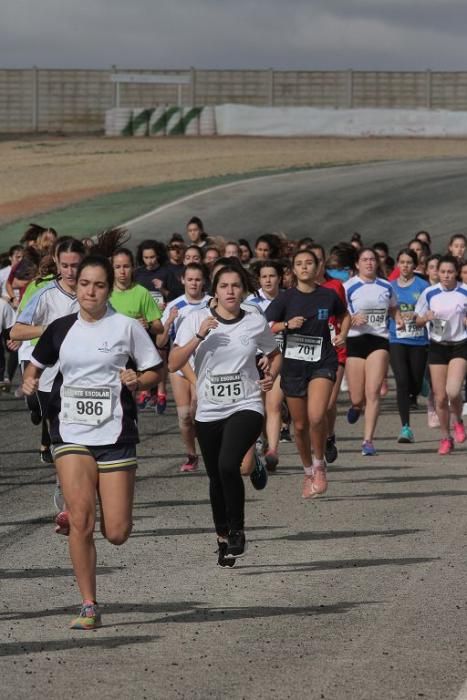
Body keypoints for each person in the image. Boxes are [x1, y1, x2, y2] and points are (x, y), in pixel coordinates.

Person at [22, 255, 162, 629]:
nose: (90, 291)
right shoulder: (61, 327)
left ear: (108, 289)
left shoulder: (127, 328)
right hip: (70, 431)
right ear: (77, 285)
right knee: (82, 520)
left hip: (115, 433)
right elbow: (37, 360)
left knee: (116, 532)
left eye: (99, 285)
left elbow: (153, 370)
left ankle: (93, 503)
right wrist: (30, 379)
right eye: (85, 284)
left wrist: (138, 381)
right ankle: (88, 604)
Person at [169, 264, 281, 565]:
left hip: (246, 404)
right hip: (208, 410)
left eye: (235, 286)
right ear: (214, 291)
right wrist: (198, 335)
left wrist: (271, 375)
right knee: (217, 476)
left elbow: (274, 353)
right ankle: (221, 535)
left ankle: (237, 531)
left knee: (228, 464)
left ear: (242, 290)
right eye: (224, 286)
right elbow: (173, 362)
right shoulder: (195, 318)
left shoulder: (255, 320)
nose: (230, 291)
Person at [266, 249, 349, 498]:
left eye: (309, 263)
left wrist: (343, 334)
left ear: (317, 267)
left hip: (322, 362)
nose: (304, 267)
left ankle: (320, 464)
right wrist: (286, 325)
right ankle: (307, 471)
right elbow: (265, 326)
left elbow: (344, 315)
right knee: (299, 426)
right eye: (299, 264)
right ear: (293, 269)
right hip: (293, 367)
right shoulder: (285, 299)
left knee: (316, 416)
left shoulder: (328, 295)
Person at [11, 238, 86, 464]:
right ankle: (65, 485)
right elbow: (16, 331)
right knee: (63, 438)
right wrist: (49, 329)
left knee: (85, 439)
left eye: (75, 265)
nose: (70, 271)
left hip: (88, 379)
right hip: (52, 382)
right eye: (65, 266)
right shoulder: (45, 295)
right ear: (56, 261)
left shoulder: (94, 293)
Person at [343, 247, 401, 456]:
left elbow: (394, 307)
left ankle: (368, 441)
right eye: (364, 260)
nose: (369, 263)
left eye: (372, 260)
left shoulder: (386, 286)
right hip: (355, 340)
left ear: (377, 263)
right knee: (358, 396)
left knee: (373, 392)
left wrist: (399, 318)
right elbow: (340, 313)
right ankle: (356, 406)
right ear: (357, 264)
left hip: (379, 340)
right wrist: (351, 319)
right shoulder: (348, 286)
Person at [157, 263, 210, 472]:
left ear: (203, 281)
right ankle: (191, 454)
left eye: (197, 279)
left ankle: (209, 448)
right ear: (183, 280)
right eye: (190, 279)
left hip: (203, 363)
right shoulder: (174, 305)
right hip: (180, 364)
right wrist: (169, 321)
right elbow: (161, 342)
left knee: (199, 411)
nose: (194, 283)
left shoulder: (212, 303)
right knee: (185, 415)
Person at [414, 255, 467, 454]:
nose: (446, 276)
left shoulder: (464, 292)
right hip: (437, 346)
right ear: (437, 273)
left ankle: (459, 421)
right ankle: (446, 437)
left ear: (456, 273)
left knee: (453, 391)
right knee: (440, 397)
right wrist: (424, 317)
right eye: (442, 272)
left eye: (450, 272)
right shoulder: (429, 292)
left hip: (460, 345)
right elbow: (417, 320)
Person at [389, 249, 429, 443]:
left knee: (415, 381)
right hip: (396, 339)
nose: (405, 266)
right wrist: (396, 316)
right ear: (397, 264)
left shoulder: (423, 286)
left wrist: (417, 316)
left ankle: (419, 387)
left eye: (409, 262)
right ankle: (405, 427)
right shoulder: (390, 287)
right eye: (402, 262)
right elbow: (386, 309)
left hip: (419, 340)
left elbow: (429, 310)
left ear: (415, 265)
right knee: (402, 381)